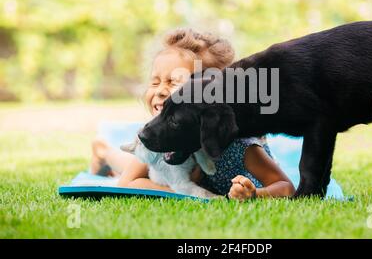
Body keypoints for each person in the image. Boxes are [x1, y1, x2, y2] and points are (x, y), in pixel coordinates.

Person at [90, 28, 295, 201]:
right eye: (155, 82)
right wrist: (188, 193)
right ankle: (103, 152)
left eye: (173, 82)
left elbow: (285, 186)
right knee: (137, 165)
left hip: (190, 173)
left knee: (145, 169)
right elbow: (128, 183)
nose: (160, 90)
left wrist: (255, 194)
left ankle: (103, 152)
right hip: (172, 176)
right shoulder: (164, 133)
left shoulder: (241, 145)